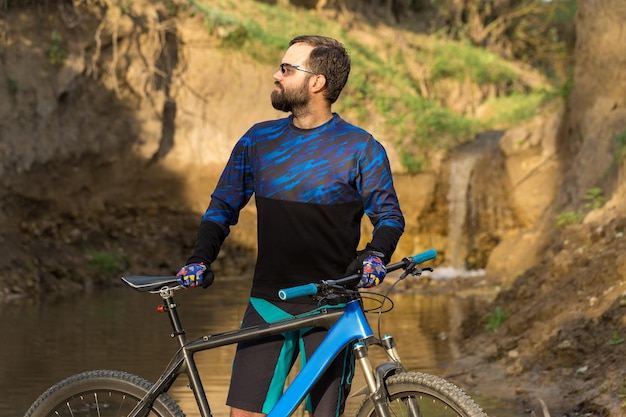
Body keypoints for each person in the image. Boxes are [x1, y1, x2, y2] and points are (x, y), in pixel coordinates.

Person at [176, 35, 405, 417]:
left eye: (286, 69)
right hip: (268, 303)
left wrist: (377, 255)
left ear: (317, 82)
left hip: (333, 307)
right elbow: (223, 206)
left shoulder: (360, 148)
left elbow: (389, 216)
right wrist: (200, 258)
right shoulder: (259, 140)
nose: (275, 75)